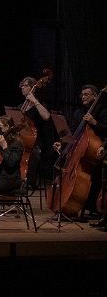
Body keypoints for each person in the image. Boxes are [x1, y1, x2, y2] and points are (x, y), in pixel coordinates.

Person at [54, 84, 107, 223]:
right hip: (80, 153)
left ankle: (94, 207)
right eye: (82, 95)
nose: (83, 97)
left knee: (95, 177)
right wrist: (63, 144)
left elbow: (106, 130)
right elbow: (72, 134)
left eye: (86, 94)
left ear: (95, 96)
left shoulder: (102, 111)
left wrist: (95, 122)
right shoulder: (78, 113)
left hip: (98, 152)